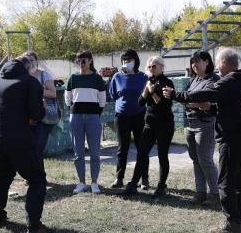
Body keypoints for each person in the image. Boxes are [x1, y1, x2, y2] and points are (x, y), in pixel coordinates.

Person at [163, 48, 241, 233]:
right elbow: (231, 107)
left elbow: (200, 94)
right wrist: (211, 108)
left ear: (223, 63)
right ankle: (239, 223)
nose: (217, 67)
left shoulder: (229, 81)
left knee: (226, 183)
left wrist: (174, 95)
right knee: (238, 183)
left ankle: (232, 224)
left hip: (232, 139)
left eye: (218, 62)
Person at [0, 53, 48, 233]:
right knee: (37, 179)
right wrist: (42, 108)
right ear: (28, 67)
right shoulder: (29, 82)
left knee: (4, 175)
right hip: (20, 139)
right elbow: (36, 114)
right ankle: (34, 226)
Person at [123, 56, 175, 197]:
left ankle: (161, 186)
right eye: (150, 66)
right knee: (142, 153)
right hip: (149, 124)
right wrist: (147, 90)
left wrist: (152, 92)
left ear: (161, 67)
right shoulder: (149, 81)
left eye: (154, 66)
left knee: (162, 155)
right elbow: (140, 102)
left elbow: (164, 105)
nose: (151, 68)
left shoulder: (167, 82)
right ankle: (133, 184)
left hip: (164, 124)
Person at [174, 50, 220, 204]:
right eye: (192, 62)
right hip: (190, 124)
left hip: (205, 124)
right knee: (195, 160)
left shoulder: (213, 80)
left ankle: (215, 194)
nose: (194, 65)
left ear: (207, 62)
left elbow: (205, 101)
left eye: (197, 61)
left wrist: (192, 102)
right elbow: (185, 98)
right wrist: (192, 102)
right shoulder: (194, 80)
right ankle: (200, 192)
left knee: (205, 160)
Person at [65, 50, 107, 194]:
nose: (81, 63)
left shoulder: (97, 79)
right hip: (76, 117)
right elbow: (68, 99)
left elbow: (102, 101)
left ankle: (94, 183)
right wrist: (76, 110)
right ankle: (81, 182)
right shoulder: (72, 78)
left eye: (84, 60)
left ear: (90, 61)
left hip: (93, 118)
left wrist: (94, 113)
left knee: (95, 152)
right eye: (79, 60)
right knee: (78, 152)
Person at [108, 49, 149, 189]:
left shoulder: (143, 77)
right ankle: (119, 178)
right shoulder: (117, 77)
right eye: (124, 60)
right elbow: (113, 95)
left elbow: (147, 95)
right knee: (122, 148)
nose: (126, 62)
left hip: (139, 116)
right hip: (121, 117)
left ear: (135, 61)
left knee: (141, 148)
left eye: (129, 60)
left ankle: (144, 178)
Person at [25, 51, 59, 161]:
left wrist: (37, 90)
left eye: (32, 60)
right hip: (28, 117)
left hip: (44, 117)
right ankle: (32, 170)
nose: (30, 62)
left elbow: (53, 93)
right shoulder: (23, 76)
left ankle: (38, 171)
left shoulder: (44, 75)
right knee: (28, 147)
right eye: (27, 60)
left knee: (38, 146)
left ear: (36, 61)